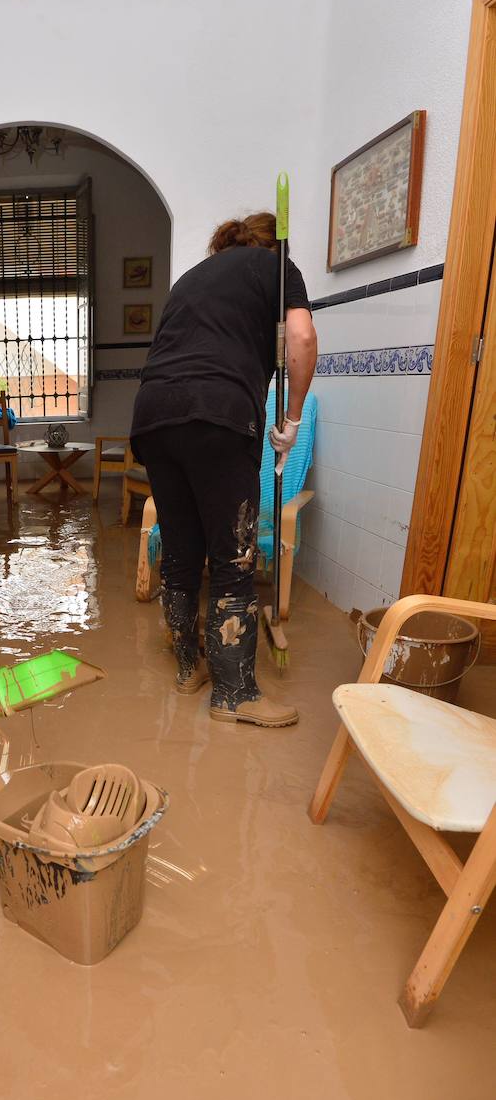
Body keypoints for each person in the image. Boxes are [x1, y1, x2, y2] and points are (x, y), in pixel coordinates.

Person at [129, 212, 317, 728]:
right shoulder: (276, 266)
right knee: (233, 557)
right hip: (218, 413)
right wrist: (294, 419)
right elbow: (301, 339)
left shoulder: (192, 279)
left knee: (181, 552)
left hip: (153, 416)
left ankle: (190, 668)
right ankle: (235, 694)